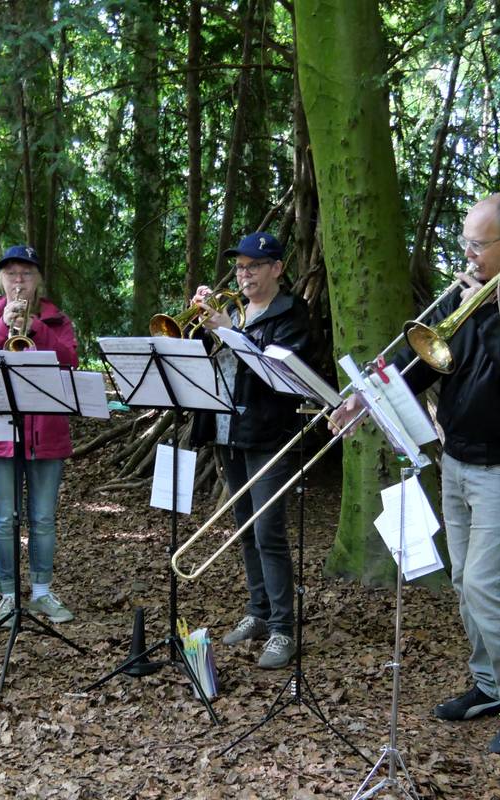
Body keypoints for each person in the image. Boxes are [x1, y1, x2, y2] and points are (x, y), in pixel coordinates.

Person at [328, 193, 500, 754]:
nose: (469, 254)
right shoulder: (460, 297)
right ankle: (489, 684)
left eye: (478, 245)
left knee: (483, 583)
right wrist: (364, 401)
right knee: (462, 580)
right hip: (456, 459)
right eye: (466, 244)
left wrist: (491, 305)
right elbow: (418, 363)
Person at [191, 232, 309, 670]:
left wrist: (231, 330)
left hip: (268, 432)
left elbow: (277, 371)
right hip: (226, 429)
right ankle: (258, 612)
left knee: (268, 532)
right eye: (240, 267)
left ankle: (283, 629)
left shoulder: (292, 313)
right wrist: (202, 326)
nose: (244, 274)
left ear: (277, 269)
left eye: (254, 266)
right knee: (244, 529)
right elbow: (200, 360)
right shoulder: (231, 312)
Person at [0, 245, 79, 626]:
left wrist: (36, 329)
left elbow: (70, 361)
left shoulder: (56, 320)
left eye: (26, 274)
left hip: (46, 432)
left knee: (43, 519)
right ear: (1, 280)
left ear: (38, 280)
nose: (19, 280)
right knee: (5, 518)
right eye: (11, 274)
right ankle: (9, 596)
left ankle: (43, 593)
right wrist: (2, 328)